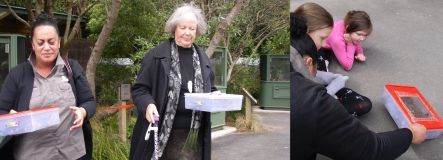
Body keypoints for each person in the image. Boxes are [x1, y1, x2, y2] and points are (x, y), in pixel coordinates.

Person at [290, 2, 427, 160]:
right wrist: (410, 134)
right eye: (322, 38)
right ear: (307, 62)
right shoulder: (312, 103)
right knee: (362, 104)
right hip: (312, 116)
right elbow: (372, 149)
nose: (322, 44)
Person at [0, 14, 96, 160]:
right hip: (31, 155)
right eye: (41, 42)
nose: (47, 47)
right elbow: (2, 111)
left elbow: (90, 102)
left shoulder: (72, 69)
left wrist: (83, 111)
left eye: (51, 42)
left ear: (58, 42)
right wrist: (11, 119)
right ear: (33, 44)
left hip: (72, 154)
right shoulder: (17, 75)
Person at [129, 3, 217, 160]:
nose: (187, 33)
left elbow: (211, 90)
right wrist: (148, 105)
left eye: (192, 29)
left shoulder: (203, 59)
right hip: (163, 132)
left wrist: (217, 97)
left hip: (193, 136)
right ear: (174, 28)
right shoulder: (156, 56)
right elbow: (140, 89)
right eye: (183, 28)